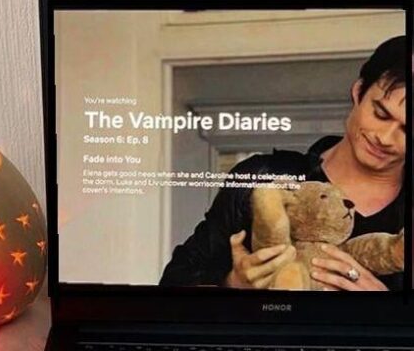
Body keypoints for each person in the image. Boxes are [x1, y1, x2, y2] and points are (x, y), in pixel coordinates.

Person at [159, 36, 405, 292]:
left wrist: (387, 311)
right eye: (381, 114)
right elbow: (171, 290)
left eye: (407, 129)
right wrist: (233, 285)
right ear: (358, 92)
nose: (385, 138)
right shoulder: (262, 178)